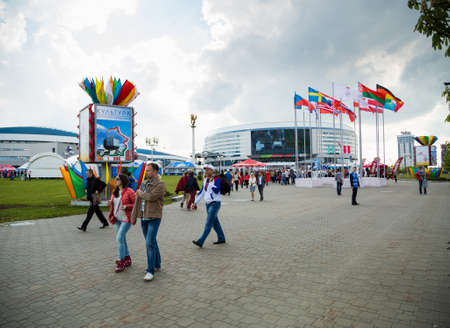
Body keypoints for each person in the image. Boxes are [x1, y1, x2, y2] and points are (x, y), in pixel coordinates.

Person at [131, 162, 166, 281]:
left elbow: (151, 197)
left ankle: (150, 270)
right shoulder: (144, 183)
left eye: (149, 170)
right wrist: (134, 216)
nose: (147, 172)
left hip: (154, 217)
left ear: (156, 171)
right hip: (144, 217)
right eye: (147, 170)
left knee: (149, 244)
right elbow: (137, 201)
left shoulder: (160, 184)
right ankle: (157, 264)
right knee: (151, 242)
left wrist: (140, 193)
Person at [192, 164, 226, 248]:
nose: (206, 171)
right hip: (207, 204)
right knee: (215, 223)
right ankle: (221, 238)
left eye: (208, 170)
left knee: (208, 223)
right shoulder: (206, 180)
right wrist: (195, 202)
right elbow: (202, 192)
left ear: (212, 170)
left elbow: (217, 190)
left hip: (215, 204)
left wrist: (211, 183)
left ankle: (201, 241)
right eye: (205, 170)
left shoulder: (217, 179)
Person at [108, 174, 136, 273]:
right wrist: (110, 203)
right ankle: (127, 259)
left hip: (126, 218)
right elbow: (113, 204)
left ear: (123, 181)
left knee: (119, 238)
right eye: (115, 179)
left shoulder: (130, 191)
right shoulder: (114, 191)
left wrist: (127, 206)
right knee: (122, 239)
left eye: (117, 179)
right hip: (117, 218)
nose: (115, 180)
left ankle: (121, 261)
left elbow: (136, 204)